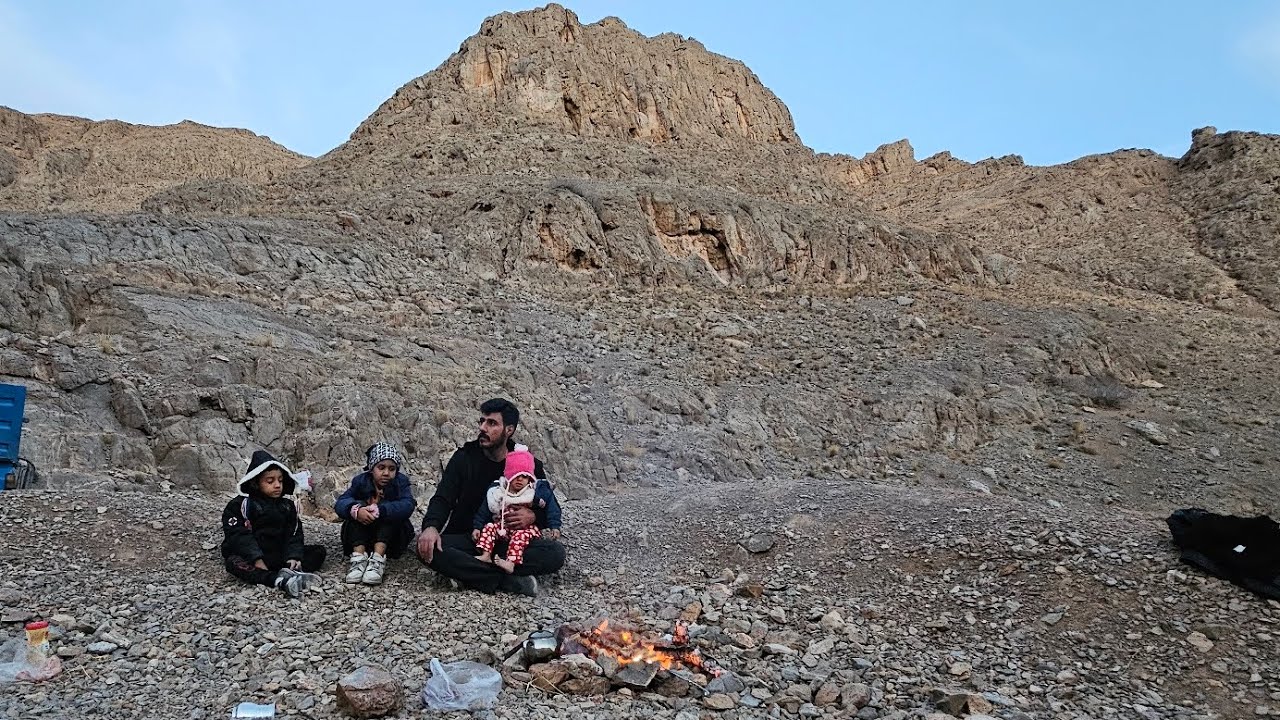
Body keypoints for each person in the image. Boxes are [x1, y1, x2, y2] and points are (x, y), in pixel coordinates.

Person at [416, 398, 566, 596]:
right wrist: (431, 527)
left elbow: (548, 506)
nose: (483, 428)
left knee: (555, 553)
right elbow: (443, 498)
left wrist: (533, 517)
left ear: (509, 430)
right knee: (426, 547)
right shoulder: (465, 458)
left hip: (511, 542)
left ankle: (471, 574)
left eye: (492, 423)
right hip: (471, 538)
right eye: (482, 421)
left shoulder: (527, 465)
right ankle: (505, 579)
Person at [221, 450, 325, 598]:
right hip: (253, 555)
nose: (277, 485)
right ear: (255, 482)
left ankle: (291, 571)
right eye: (270, 481)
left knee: (318, 552)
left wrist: (293, 556)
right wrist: (256, 558)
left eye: (280, 480)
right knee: (233, 562)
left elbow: (294, 533)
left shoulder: (287, 506)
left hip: (277, 553)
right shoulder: (241, 505)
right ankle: (276, 580)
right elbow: (238, 535)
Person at [334, 442, 418, 585]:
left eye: (392, 469)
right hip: (364, 535)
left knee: (390, 512)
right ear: (372, 469)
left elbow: (408, 504)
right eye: (381, 467)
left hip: (392, 540)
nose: (386, 473)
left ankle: (378, 559)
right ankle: (358, 558)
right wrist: (356, 511)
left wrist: (382, 511)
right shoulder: (360, 482)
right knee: (357, 508)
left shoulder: (401, 483)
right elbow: (341, 502)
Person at [474, 448, 563, 573]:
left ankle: (510, 563)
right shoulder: (498, 491)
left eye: (524, 476)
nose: (520, 479)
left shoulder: (536, 492)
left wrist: (555, 526)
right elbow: (485, 510)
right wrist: (477, 527)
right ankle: (486, 555)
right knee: (489, 527)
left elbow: (552, 508)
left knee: (549, 549)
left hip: (526, 531)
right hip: (503, 530)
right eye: (516, 475)